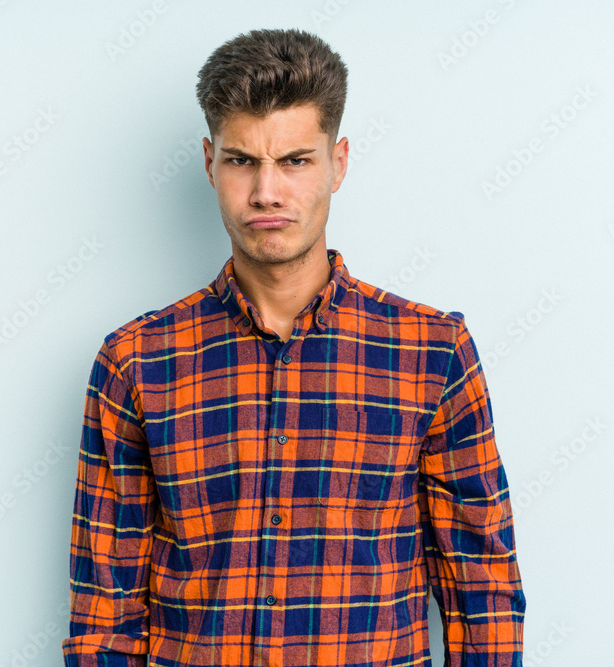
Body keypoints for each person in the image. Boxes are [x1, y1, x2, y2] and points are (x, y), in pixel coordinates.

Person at [61, 27, 525, 667]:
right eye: (242, 160)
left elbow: (482, 586)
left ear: (338, 163)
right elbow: (104, 610)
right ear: (209, 162)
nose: (266, 193)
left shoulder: (433, 352)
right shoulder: (136, 361)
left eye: (296, 160)